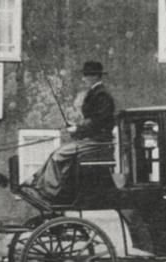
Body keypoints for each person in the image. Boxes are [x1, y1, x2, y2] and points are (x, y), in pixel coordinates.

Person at [21, 61, 116, 204]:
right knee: (55, 153)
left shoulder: (102, 95)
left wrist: (78, 129)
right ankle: (37, 183)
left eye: (85, 75)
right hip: (92, 139)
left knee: (58, 156)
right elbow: (92, 121)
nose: (83, 79)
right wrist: (76, 127)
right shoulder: (95, 93)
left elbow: (99, 121)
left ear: (95, 76)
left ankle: (50, 193)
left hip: (98, 142)